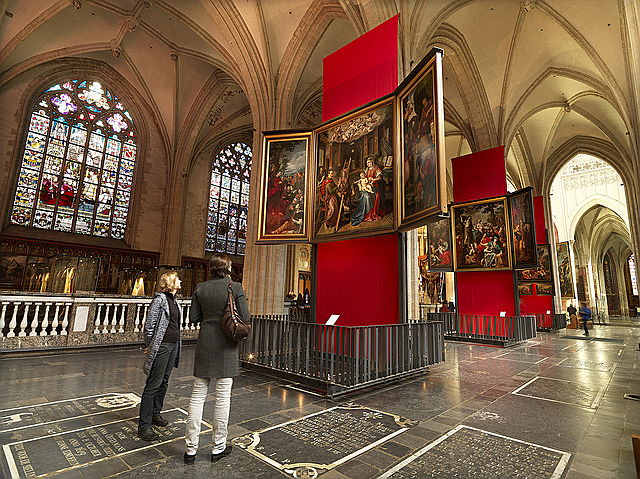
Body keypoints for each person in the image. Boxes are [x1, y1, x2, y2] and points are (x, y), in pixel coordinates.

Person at [184, 253, 250, 464]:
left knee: (197, 397)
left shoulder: (200, 288)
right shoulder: (235, 287)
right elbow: (245, 317)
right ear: (228, 268)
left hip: (205, 343)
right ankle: (218, 448)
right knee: (222, 398)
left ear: (210, 269)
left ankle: (190, 450)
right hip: (226, 346)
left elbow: (194, 317)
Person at [138, 271, 183, 441]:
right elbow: (150, 324)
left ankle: (156, 414)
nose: (180, 280)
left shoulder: (174, 301)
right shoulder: (160, 300)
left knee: (164, 381)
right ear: (171, 282)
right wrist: (150, 345)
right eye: (177, 278)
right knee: (153, 384)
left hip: (173, 345)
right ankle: (144, 426)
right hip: (162, 345)